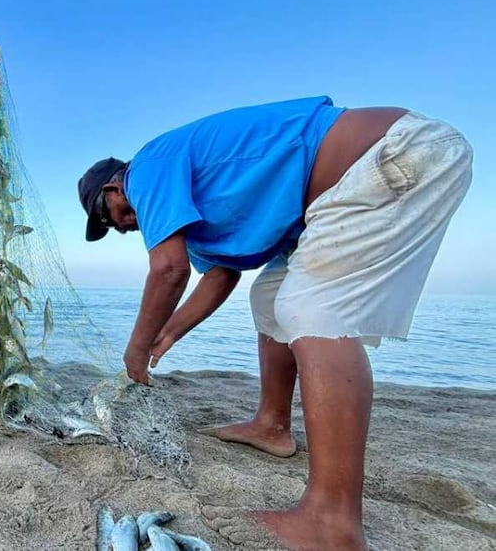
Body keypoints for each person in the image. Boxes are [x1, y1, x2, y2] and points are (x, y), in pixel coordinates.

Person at [77, 98, 472, 550]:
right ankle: (272, 425)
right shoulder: (196, 214)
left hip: (396, 153)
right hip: (339, 196)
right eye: (108, 227)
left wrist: (136, 346)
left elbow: (169, 270)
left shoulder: (147, 167)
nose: (120, 227)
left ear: (115, 184)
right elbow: (220, 276)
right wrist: (167, 334)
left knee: (315, 308)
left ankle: (332, 521)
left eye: (107, 214)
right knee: (270, 297)